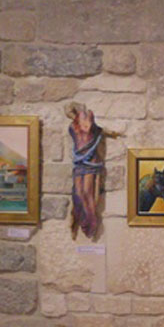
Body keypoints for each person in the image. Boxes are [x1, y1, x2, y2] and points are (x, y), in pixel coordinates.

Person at [65, 103, 120, 240]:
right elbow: (80, 136)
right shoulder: (73, 127)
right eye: (69, 114)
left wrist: (112, 133)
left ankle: (90, 221)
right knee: (78, 193)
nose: (71, 115)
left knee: (87, 191)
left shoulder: (90, 122)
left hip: (91, 163)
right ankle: (76, 219)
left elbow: (100, 130)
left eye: (72, 112)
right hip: (80, 163)